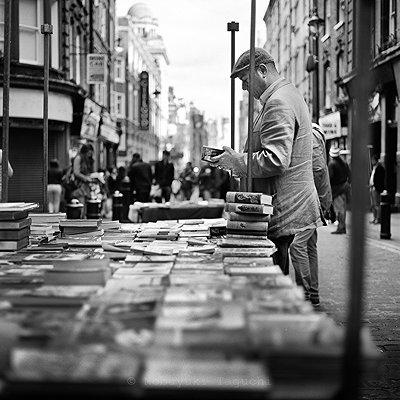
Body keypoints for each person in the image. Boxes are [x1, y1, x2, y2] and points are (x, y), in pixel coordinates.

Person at [209, 47, 321, 274]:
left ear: (261, 70)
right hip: (285, 204)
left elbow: (276, 159)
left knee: (272, 276)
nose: (243, 87)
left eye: (244, 79)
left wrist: (237, 161)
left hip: (280, 207)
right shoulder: (285, 94)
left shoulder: (278, 101)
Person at [289, 123, 332, 307]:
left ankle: (305, 292)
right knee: (309, 245)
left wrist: (317, 199)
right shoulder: (309, 132)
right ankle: (313, 294)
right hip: (312, 197)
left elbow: (318, 169)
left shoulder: (309, 134)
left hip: (308, 199)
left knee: (297, 245)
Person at [328, 147, 351, 234]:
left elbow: (329, 178)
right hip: (345, 188)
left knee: (339, 210)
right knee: (343, 209)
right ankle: (342, 226)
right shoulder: (344, 163)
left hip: (336, 190)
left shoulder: (332, 164)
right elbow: (350, 175)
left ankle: (341, 227)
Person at [71, 143, 95, 217]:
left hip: (85, 187)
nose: (90, 155)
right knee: (81, 208)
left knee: (84, 209)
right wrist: (86, 178)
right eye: (89, 153)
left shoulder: (86, 160)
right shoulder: (79, 158)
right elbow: (76, 172)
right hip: (79, 187)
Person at [369, 154, 385, 224]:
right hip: (372, 188)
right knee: (372, 204)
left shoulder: (380, 168)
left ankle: (378, 218)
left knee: (376, 204)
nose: (372, 162)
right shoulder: (374, 168)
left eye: (373, 160)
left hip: (376, 188)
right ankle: (374, 217)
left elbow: (380, 179)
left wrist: (376, 186)